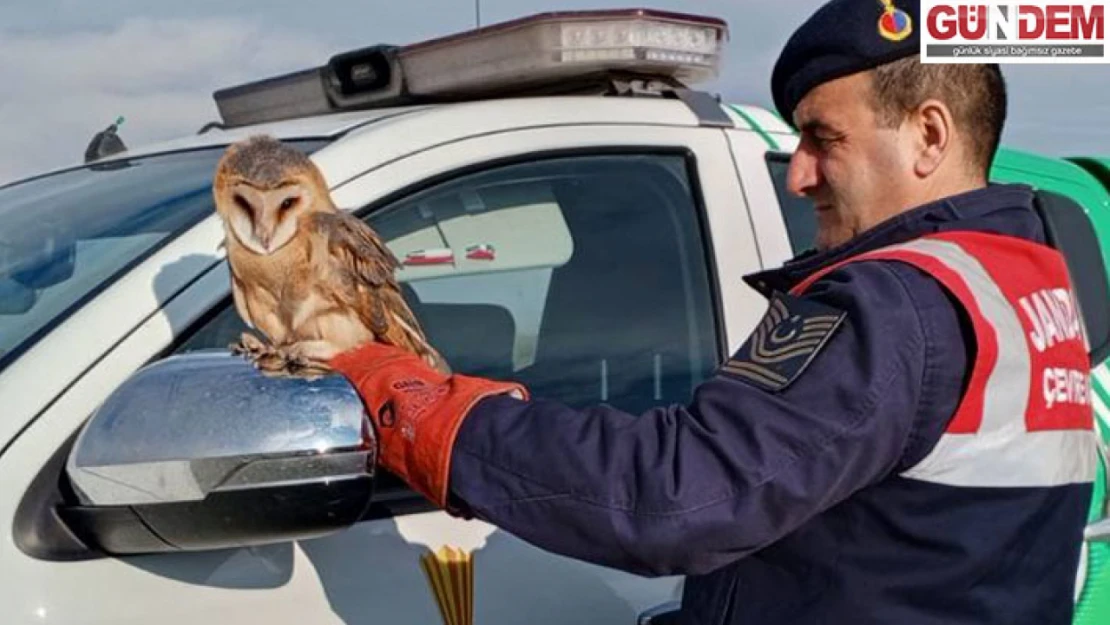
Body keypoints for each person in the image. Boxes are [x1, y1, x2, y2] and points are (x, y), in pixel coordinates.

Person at [328, 1, 1100, 622]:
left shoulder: (894, 301)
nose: (799, 175)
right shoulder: (1027, 284)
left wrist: (411, 402)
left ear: (928, 134)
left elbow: (677, 494)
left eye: (821, 138)